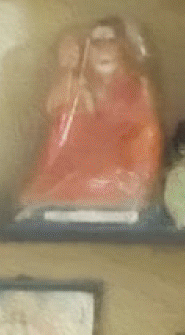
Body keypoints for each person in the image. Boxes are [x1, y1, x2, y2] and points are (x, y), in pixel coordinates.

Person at [20, 18, 165, 217]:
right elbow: (56, 157)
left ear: (123, 48)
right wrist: (67, 75)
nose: (104, 50)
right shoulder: (73, 90)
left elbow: (143, 158)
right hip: (70, 198)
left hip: (120, 199)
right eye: (96, 43)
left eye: (111, 42)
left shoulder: (137, 90)